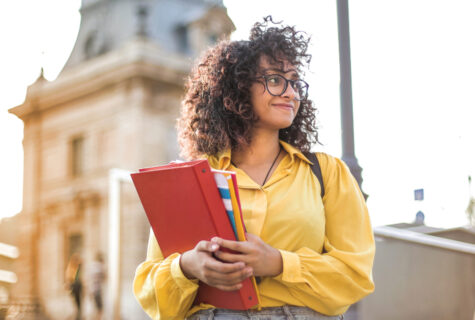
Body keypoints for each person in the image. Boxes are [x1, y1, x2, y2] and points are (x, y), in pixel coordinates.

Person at [133, 16, 375, 320]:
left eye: (295, 82)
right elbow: (150, 291)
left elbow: (356, 275)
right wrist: (188, 266)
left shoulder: (327, 173)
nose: (290, 92)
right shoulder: (194, 178)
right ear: (238, 89)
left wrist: (278, 263)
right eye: (275, 79)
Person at [88, 252, 106, 320]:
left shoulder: (92, 266)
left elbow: (88, 279)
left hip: (92, 290)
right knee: (100, 309)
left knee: (94, 308)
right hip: (98, 290)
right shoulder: (100, 267)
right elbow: (104, 277)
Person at [65, 253, 82, 320]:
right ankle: (76, 315)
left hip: (77, 286)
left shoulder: (76, 268)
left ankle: (77, 315)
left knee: (78, 303)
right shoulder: (71, 268)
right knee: (76, 302)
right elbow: (69, 278)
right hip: (74, 286)